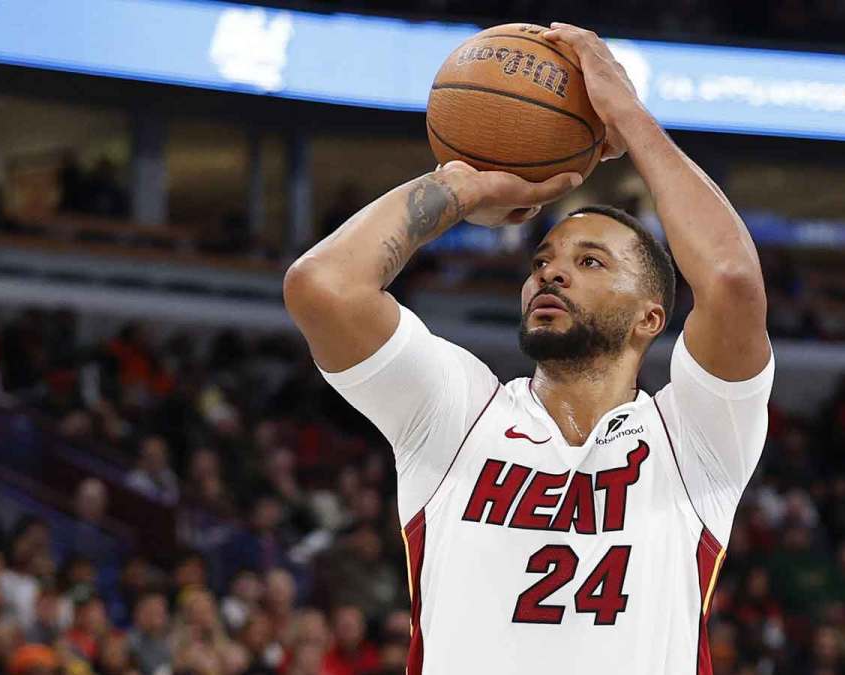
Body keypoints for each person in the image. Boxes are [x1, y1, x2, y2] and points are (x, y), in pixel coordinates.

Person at [284, 22, 772, 675]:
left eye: (592, 261)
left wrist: (629, 116)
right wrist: (459, 190)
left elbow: (732, 281)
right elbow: (322, 287)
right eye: (541, 261)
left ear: (651, 316)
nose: (552, 272)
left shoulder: (696, 439)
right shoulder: (458, 413)